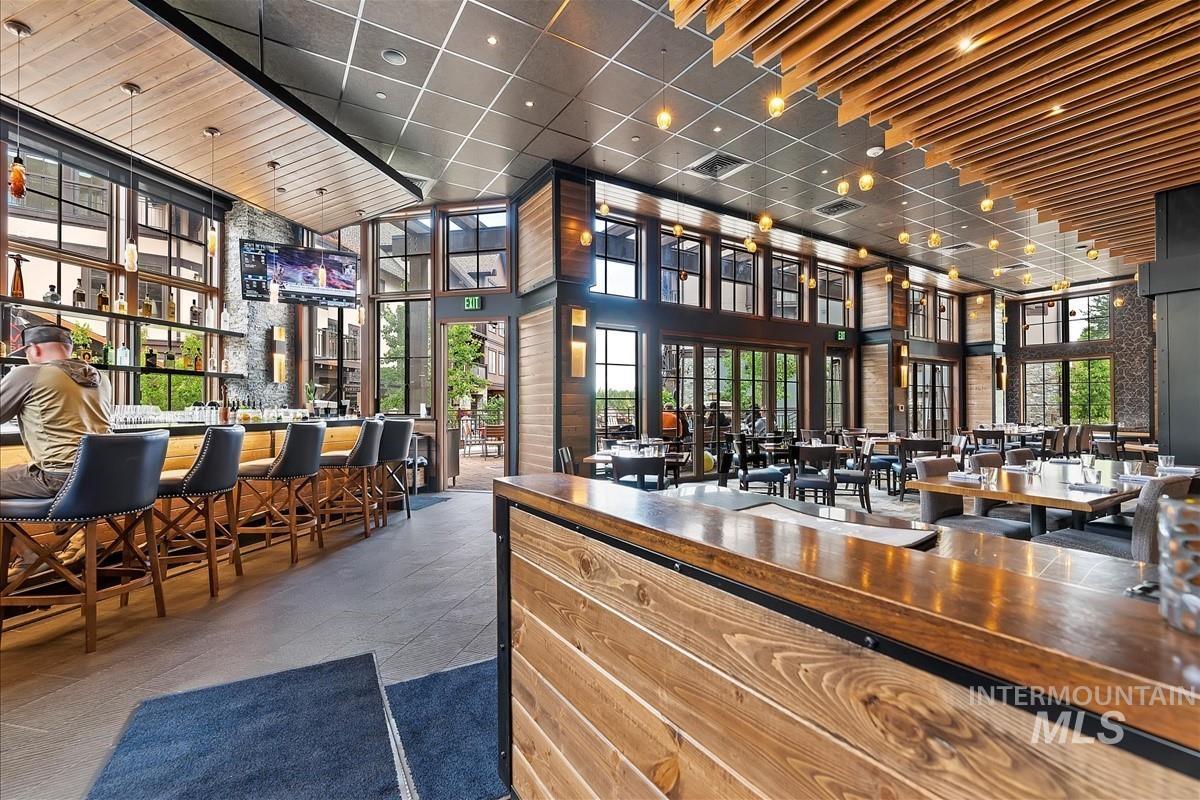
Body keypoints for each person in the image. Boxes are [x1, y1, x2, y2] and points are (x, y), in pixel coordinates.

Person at [1, 324, 114, 499]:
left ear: (35, 349)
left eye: (26, 353)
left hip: (59, 478)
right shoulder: (102, 379)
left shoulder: (29, 373)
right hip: (107, 474)